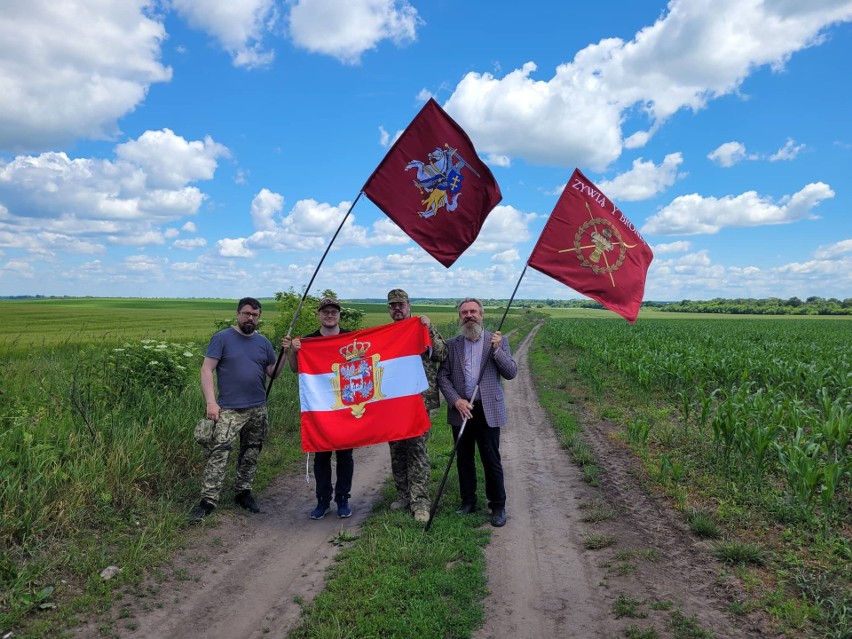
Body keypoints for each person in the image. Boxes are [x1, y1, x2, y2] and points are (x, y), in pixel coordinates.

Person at [189, 297, 282, 524]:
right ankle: (208, 500)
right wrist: (211, 403)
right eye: (247, 313)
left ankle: (243, 492)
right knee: (219, 453)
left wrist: (286, 354)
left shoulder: (263, 342)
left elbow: (273, 372)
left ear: (259, 317)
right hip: (229, 409)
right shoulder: (222, 338)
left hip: (257, 408)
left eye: (255, 315)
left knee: (251, 452)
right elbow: (206, 370)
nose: (251, 318)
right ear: (238, 314)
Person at [437, 298, 517, 527]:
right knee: (464, 458)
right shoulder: (452, 344)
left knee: (491, 458)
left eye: (473, 311)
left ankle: (498, 505)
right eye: (464, 312)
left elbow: (511, 372)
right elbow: (443, 376)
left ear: (481, 315)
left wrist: (497, 350)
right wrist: (456, 401)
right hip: (462, 411)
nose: (469, 315)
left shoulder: (498, 341)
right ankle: (468, 501)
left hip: (488, 410)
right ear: (459, 317)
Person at [281, 296, 354, 520]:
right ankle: (323, 501)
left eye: (333, 312)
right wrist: (290, 352)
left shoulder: (351, 338)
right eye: (325, 312)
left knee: (345, 456)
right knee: (321, 456)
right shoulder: (308, 341)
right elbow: (296, 370)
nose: (329, 315)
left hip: (346, 406)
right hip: (320, 408)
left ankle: (343, 499)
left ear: (339, 315)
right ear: (319, 315)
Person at [385, 289, 447, 523]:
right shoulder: (386, 334)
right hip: (393, 402)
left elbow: (441, 354)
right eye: (392, 306)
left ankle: (420, 501)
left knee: (417, 450)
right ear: (389, 309)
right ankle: (403, 494)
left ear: (409, 305)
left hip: (419, 401)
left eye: (401, 304)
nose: (397, 309)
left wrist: (429, 327)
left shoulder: (420, 327)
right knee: (397, 451)